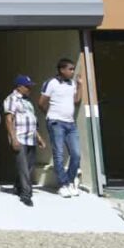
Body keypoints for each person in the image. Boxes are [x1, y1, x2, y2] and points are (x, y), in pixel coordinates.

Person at [39, 57, 84, 198]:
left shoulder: (72, 83)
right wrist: (51, 116)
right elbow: (41, 103)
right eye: (70, 69)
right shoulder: (51, 83)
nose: (72, 71)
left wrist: (80, 85)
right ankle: (63, 184)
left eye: (72, 69)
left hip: (70, 124)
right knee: (58, 154)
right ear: (62, 70)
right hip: (56, 123)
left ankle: (70, 181)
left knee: (76, 154)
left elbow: (76, 101)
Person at [3, 75, 45, 207]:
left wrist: (39, 137)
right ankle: (26, 195)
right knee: (23, 168)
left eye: (30, 86)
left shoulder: (28, 102)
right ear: (19, 87)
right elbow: (9, 120)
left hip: (31, 138)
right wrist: (13, 139)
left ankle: (18, 187)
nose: (29, 89)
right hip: (20, 138)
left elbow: (32, 121)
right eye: (27, 86)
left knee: (29, 166)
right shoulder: (11, 99)